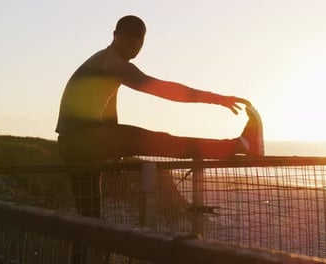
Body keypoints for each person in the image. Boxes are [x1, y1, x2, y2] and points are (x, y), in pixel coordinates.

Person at [56, 15, 263, 262]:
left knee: (88, 218)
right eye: (131, 41)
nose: (134, 47)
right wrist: (218, 98)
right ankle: (239, 145)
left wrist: (112, 153)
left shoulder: (105, 63)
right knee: (159, 141)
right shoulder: (114, 64)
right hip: (83, 139)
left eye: (138, 43)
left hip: (73, 143)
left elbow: (110, 117)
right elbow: (165, 90)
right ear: (115, 36)